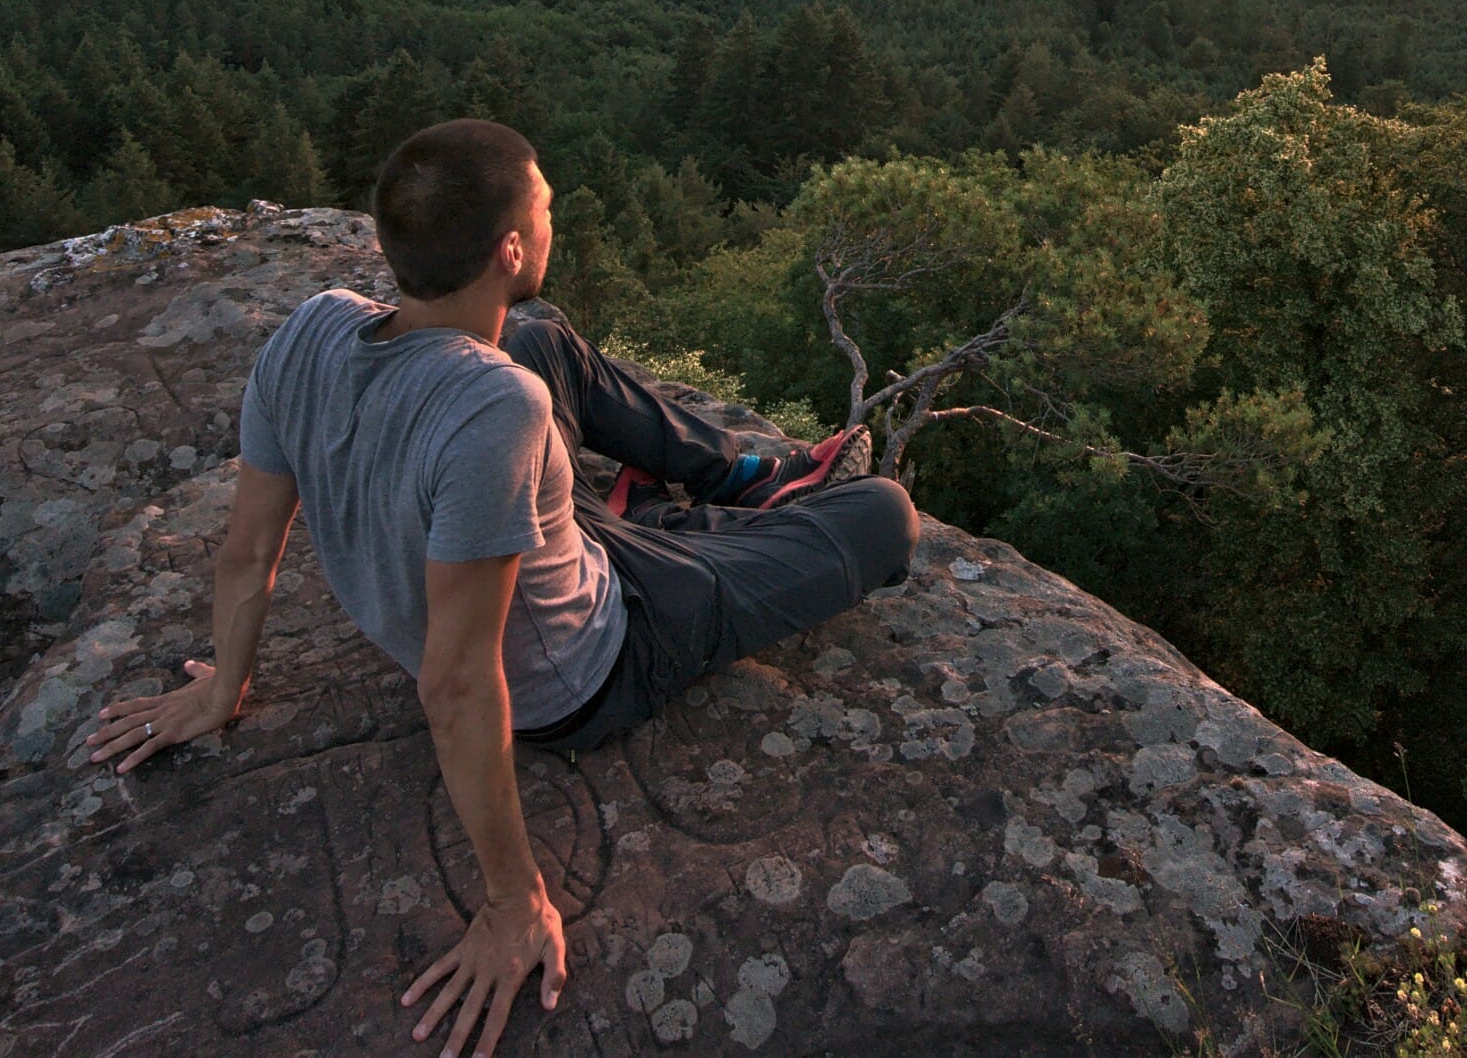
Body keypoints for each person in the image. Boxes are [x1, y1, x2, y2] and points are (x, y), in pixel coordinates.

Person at [85, 119, 917, 1058]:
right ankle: (699, 529)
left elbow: (245, 550)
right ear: (511, 247)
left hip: (535, 532)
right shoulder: (494, 408)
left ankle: (729, 476)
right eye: (547, 204)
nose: (556, 214)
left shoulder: (314, 328)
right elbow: (457, 683)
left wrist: (224, 686)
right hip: (596, 656)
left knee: (542, 334)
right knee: (884, 515)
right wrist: (515, 903)